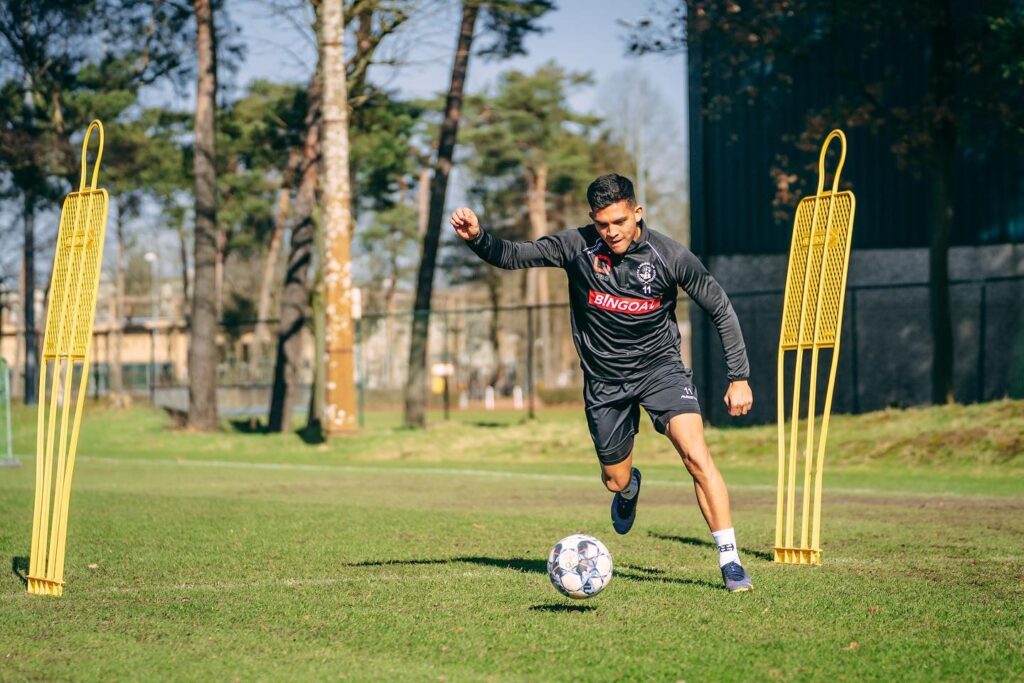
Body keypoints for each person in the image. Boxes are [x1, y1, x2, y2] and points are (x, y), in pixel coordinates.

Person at [452, 173, 754, 592]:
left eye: (619, 221)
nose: (611, 232)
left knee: (697, 456)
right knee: (614, 478)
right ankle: (629, 488)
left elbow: (720, 307)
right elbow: (512, 256)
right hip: (604, 381)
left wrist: (738, 376)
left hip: (660, 369)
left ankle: (730, 560)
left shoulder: (669, 255)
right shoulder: (576, 246)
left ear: (637, 213)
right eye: (602, 223)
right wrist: (478, 238)